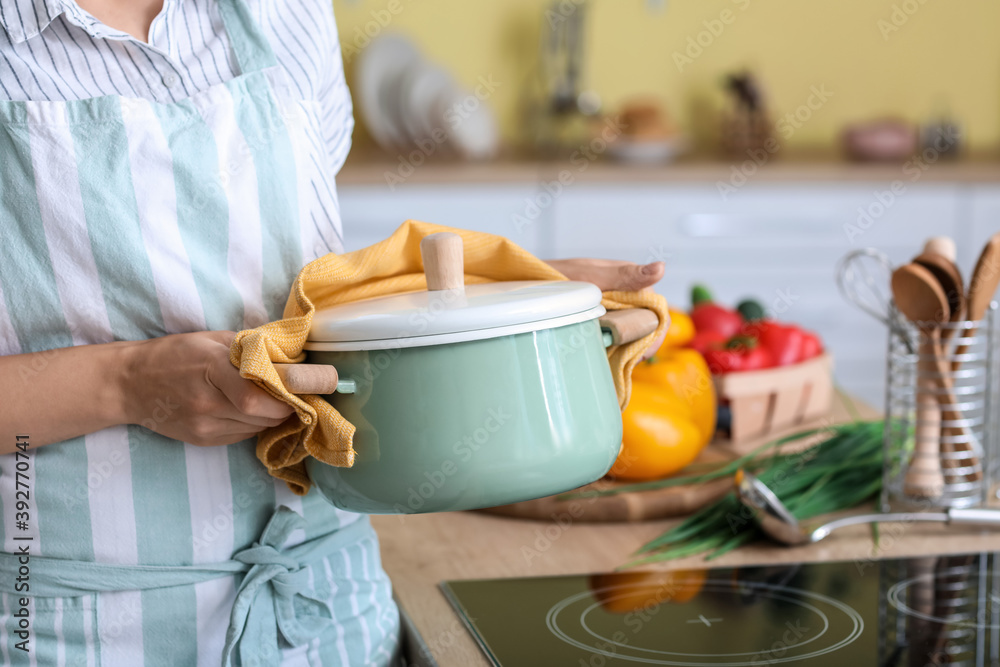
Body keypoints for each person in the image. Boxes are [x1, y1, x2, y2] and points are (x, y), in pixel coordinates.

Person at [0, 0, 666, 663]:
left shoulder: (286, 11)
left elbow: (291, 294)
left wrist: (501, 301)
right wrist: (129, 385)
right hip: (78, 630)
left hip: (325, 611)